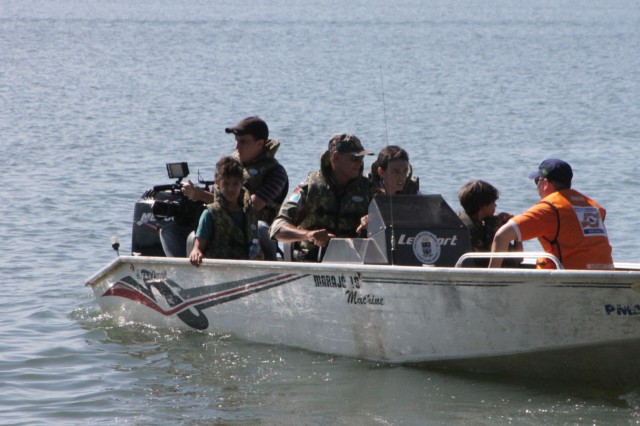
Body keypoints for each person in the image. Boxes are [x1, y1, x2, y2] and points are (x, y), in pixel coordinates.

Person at [166, 116, 288, 260]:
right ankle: (187, 274)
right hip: (221, 224)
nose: (237, 147)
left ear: (260, 143)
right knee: (171, 230)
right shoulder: (231, 164)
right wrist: (192, 196)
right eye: (236, 142)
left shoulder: (275, 173)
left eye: (243, 142)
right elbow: (215, 195)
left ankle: (270, 275)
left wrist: (201, 195)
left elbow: (251, 207)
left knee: (262, 228)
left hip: (251, 231)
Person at [489, 159, 614, 270]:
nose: (537, 186)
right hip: (605, 274)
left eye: (537, 181)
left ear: (545, 183)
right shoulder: (592, 207)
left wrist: (489, 281)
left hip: (570, 279)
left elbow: (502, 236)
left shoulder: (550, 209)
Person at [269, 133, 373, 261]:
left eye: (362, 158)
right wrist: (309, 235)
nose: (359, 163)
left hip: (355, 262)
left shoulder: (369, 188)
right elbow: (277, 228)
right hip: (313, 264)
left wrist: (374, 220)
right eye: (354, 158)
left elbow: (391, 221)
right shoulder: (310, 188)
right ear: (335, 157)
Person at [189, 156, 259, 267]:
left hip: (245, 271)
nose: (231, 189)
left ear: (241, 183)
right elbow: (197, 248)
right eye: (226, 183)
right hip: (217, 271)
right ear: (217, 183)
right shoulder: (210, 213)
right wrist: (196, 252)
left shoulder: (251, 213)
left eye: (235, 183)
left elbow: (256, 245)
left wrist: (259, 256)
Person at [457, 180, 522, 267]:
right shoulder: (485, 229)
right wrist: (514, 229)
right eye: (493, 202)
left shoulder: (459, 223)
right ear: (482, 205)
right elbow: (518, 259)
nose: (496, 205)